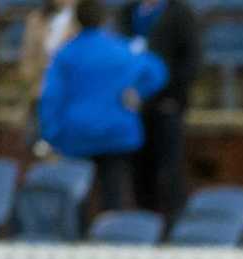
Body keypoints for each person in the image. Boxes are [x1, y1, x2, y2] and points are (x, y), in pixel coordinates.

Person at [38, 0, 168, 211]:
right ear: (104, 20)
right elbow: (157, 72)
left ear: (76, 21)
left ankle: (77, 238)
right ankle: (111, 238)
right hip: (116, 133)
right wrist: (138, 92)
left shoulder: (65, 55)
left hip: (76, 135)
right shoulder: (121, 49)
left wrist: (50, 133)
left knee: (75, 196)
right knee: (113, 194)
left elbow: (51, 97)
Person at [116, 0, 200, 221]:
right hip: (133, 110)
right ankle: (145, 226)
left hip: (166, 107)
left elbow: (191, 61)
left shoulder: (180, 13)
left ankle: (174, 229)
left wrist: (172, 96)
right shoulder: (127, 13)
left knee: (169, 172)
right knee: (140, 174)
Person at [17, 0, 78, 155]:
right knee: (37, 146)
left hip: (71, 94)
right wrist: (33, 83)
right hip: (40, 91)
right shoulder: (36, 19)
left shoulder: (82, 20)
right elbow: (27, 57)